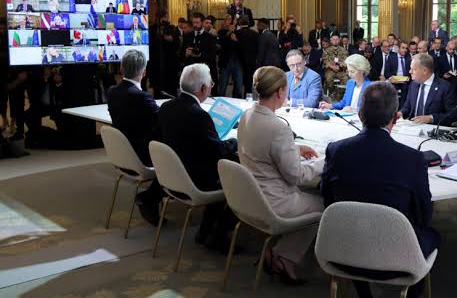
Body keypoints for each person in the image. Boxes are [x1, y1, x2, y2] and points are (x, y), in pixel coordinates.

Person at [321, 82, 440, 298]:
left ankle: (364, 293)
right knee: (433, 235)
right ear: (395, 117)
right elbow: (424, 215)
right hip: (399, 260)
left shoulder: (337, 150)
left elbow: (328, 200)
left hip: (343, 252)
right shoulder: (412, 159)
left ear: (359, 114)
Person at [238, 66, 324, 284]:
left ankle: (277, 252)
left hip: (250, 196)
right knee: (325, 205)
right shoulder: (278, 127)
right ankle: (284, 258)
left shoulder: (247, 115)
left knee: (309, 197)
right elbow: (297, 177)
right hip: (275, 201)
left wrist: (294, 148)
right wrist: (324, 162)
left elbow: (262, 149)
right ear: (280, 92)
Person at [158, 64, 238, 251]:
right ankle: (216, 235)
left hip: (173, 175)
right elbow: (218, 151)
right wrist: (235, 141)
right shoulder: (199, 115)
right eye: (211, 84)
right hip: (196, 179)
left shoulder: (166, 107)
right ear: (203, 88)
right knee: (239, 176)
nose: (211, 87)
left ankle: (206, 231)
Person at [107, 50, 163, 226]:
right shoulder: (142, 97)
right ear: (144, 71)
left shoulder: (112, 91)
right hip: (142, 155)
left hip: (123, 154)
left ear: (121, 69)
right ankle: (151, 197)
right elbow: (162, 124)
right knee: (182, 152)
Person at [400, 53, 457, 126]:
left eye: (414, 69)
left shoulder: (445, 87)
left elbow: (455, 114)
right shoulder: (413, 84)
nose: (410, 72)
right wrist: (400, 113)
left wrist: (431, 118)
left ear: (425, 71)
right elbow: (407, 107)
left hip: (433, 128)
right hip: (412, 127)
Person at [217, 15, 243, 98]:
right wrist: (229, 32)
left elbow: (243, 46)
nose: (231, 21)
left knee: (238, 85)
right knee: (223, 85)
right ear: (225, 21)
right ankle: (220, 102)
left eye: (232, 20)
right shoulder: (221, 32)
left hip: (237, 61)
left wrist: (236, 40)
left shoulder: (239, 32)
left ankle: (237, 102)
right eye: (228, 19)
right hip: (225, 61)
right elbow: (222, 43)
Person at [322, 33, 349, 100]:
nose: (335, 41)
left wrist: (340, 65)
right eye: (333, 39)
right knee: (328, 79)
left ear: (339, 40)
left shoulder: (344, 50)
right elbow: (325, 61)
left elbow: (346, 61)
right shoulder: (327, 50)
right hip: (330, 70)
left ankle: (340, 95)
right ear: (331, 41)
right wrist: (332, 67)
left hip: (341, 70)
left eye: (337, 39)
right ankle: (332, 93)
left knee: (347, 79)